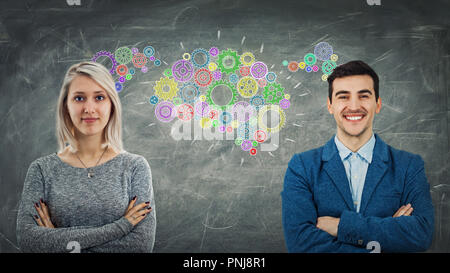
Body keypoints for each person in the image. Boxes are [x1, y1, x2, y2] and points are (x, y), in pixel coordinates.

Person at [281, 60, 434, 253]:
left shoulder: (409, 166)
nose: (354, 106)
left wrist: (340, 227)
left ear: (377, 104)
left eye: (364, 96)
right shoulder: (302, 167)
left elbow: (420, 235)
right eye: (343, 97)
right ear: (330, 105)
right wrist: (390, 235)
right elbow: (300, 244)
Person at [16, 61, 156, 253]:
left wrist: (57, 242)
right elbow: (29, 242)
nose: (89, 108)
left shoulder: (135, 167)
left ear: (112, 105)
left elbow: (140, 246)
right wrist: (122, 226)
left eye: (99, 97)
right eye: (79, 98)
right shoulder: (41, 170)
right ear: (66, 106)